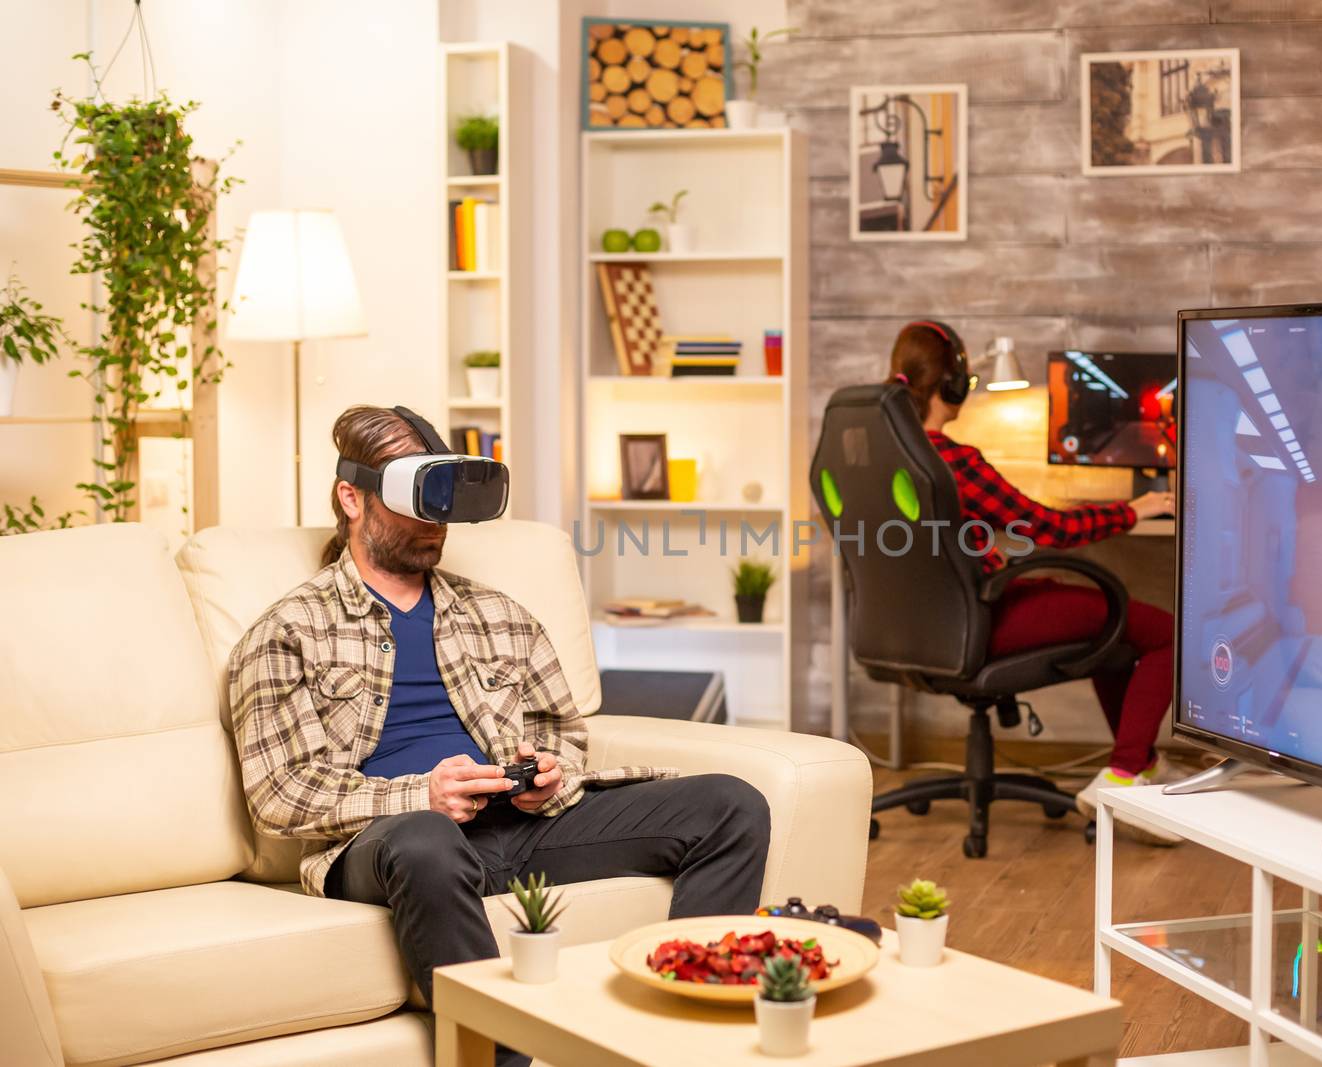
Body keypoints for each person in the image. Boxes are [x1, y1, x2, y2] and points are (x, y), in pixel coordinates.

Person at [228, 406, 771, 1064]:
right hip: (396, 844)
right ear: (352, 497)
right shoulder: (288, 629)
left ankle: (678, 1045)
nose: (436, 521)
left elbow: (560, 733)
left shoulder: (499, 615)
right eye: (415, 498)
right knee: (427, 839)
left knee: (732, 805)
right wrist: (419, 796)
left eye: (445, 500)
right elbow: (279, 790)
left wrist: (546, 776)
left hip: (515, 826)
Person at [886, 321, 1182, 845]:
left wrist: (976, 545)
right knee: (1164, 632)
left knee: (1115, 632)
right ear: (953, 386)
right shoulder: (954, 460)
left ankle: (1139, 768)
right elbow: (1050, 528)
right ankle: (1123, 776)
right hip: (983, 622)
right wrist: (1132, 510)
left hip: (917, 631)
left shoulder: (884, 455)